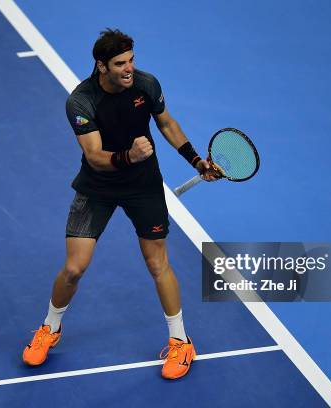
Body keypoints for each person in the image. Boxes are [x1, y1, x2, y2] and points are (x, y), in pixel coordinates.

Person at [22, 28, 216, 380]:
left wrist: (196, 161)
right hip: (97, 187)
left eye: (131, 60)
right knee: (74, 268)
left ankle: (180, 342)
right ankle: (49, 328)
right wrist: (131, 155)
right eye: (120, 63)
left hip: (143, 188)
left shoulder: (146, 85)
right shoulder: (81, 102)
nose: (129, 69)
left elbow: (167, 123)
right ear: (101, 66)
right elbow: (95, 157)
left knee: (158, 264)